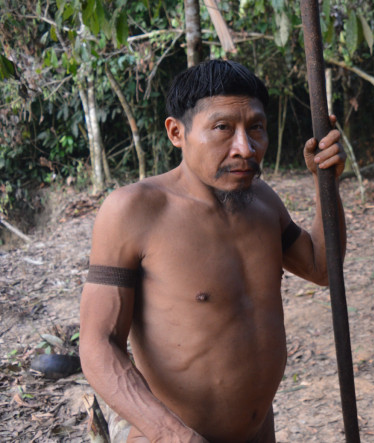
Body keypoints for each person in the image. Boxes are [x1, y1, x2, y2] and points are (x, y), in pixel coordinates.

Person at [79, 59, 346, 442]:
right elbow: (98, 344)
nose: (246, 147)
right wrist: (172, 434)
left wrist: (327, 184)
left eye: (256, 127)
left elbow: (322, 267)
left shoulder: (264, 203)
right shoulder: (135, 211)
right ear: (176, 132)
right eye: (223, 128)